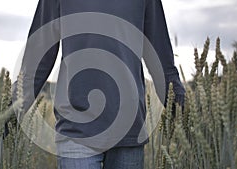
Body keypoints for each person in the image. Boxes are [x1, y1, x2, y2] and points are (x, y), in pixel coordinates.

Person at [10, 0, 185, 168]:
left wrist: (186, 114)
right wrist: (9, 111)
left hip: (129, 128)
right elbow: (37, 60)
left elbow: (162, 64)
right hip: (76, 129)